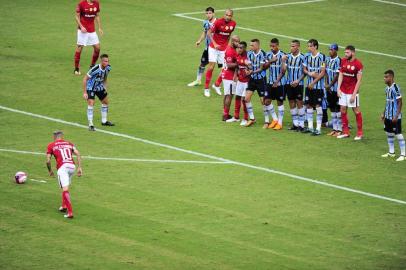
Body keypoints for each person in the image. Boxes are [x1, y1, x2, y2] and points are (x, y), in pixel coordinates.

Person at [46, 131, 82, 219]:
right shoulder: (69, 143)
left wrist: (50, 170)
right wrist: (80, 167)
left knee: (64, 189)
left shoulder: (51, 145)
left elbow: (48, 160)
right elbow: (78, 154)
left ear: (54, 137)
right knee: (65, 187)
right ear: (62, 136)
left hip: (63, 168)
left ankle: (70, 213)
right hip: (72, 167)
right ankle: (64, 206)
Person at [204, 9, 236, 97]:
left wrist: (227, 46)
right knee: (211, 66)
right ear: (224, 14)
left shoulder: (233, 24)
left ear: (231, 16)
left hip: (223, 49)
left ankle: (216, 85)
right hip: (213, 47)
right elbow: (209, 33)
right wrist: (215, 43)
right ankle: (206, 88)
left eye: (229, 15)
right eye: (226, 15)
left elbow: (228, 35)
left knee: (225, 68)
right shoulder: (218, 22)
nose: (227, 16)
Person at [337, 45, 364, 140]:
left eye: (347, 52)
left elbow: (359, 81)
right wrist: (338, 88)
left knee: (356, 111)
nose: (345, 54)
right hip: (343, 90)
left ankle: (360, 133)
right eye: (345, 52)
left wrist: (354, 94)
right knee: (343, 109)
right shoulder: (343, 61)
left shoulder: (358, 64)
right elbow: (340, 74)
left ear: (353, 53)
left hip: (352, 91)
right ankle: (345, 132)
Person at [83, 54, 114, 131]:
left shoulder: (108, 68)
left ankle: (104, 121)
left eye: (108, 61)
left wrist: (105, 86)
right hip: (91, 87)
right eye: (105, 61)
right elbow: (84, 79)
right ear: (101, 61)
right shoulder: (95, 69)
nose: (107, 63)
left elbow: (105, 76)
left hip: (99, 86)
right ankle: (90, 125)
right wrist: (85, 92)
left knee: (105, 102)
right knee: (91, 103)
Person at [187, 7, 217, 87]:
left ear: (213, 13)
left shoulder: (218, 22)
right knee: (202, 64)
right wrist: (199, 41)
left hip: (217, 49)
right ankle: (198, 80)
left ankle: (219, 84)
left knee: (223, 66)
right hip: (208, 48)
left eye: (210, 13)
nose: (208, 15)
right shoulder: (205, 22)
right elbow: (205, 32)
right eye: (207, 13)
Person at [303, 39, 326, 136]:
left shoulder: (322, 57)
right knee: (308, 105)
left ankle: (318, 128)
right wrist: (309, 73)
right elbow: (304, 69)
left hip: (318, 86)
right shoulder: (306, 56)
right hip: (309, 86)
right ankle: (311, 127)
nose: (309, 48)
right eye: (308, 46)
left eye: (310, 46)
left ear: (315, 46)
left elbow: (323, 72)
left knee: (318, 106)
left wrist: (313, 82)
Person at [74, 0, 103, 75]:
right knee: (80, 48)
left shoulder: (96, 3)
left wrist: (99, 27)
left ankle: (92, 66)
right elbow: (76, 16)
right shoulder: (81, 4)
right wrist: (81, 26)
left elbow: (97, 15)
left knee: (97, 48)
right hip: (82, 30)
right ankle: (76, 69)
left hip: (92, 30)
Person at [244, 39, 268, 127]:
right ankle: (252, 119)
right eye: (250, 45)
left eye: (252, 45)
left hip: (261, 80)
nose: (250, 47)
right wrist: (247, 70)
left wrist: (251, 72)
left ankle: (266, 121)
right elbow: (249, 65)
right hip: (252, 79)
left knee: (263, 101)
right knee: (246, 99)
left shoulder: (262, 54)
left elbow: (261, 68)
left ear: (257, 46)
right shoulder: (249, 53)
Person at [381, 70, 404, 161]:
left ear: (391, 77)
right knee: (389, 133)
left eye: (386, 77)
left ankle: (403, 154)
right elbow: (388, 102)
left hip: (395, 117)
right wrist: (383, 113)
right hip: (387, 116)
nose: (384, 79)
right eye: (384, 77)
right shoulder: (387, 89)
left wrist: (396, 116)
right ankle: (391, 152)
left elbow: (400, 102)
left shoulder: (396, 88)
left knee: (398, 134)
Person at [265, 38, 286, 130]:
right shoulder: (268, 54)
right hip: (270, 82)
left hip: (280, 83)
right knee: (267, 101)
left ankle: (280, 123)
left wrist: (277, 81)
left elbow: (283, 71)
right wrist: (270, 61)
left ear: (278, 46)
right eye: (271, 46)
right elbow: (264, 67)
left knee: (279, 102)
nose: (272, 48)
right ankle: (275, 119)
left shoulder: (283, 55)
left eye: (273, 46)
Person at [226, 41, 250, 125]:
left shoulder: (248, 56)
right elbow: (238, 66)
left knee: (244, 100)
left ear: (244, 48)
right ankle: (236, 117)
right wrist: (235, 75)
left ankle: (246, 119)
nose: (238, 49)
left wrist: (249, 70)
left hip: (247, 81)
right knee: (237, 98)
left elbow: (251, 68)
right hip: (240, 80)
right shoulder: (237, 55)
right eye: (238, 47)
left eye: (241, 48)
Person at [285, 40, 306, 131]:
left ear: (298, 47)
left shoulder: (303, 57)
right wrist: (283, 61)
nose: (291, 48)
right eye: (291, 46)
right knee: (291, 102)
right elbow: (283, 70)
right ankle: (295, 124)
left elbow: (305, 72)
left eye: (293, 46)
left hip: (299, 84)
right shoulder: (288, 56)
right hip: (289, 84)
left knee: (299, 103)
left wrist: (298, 80)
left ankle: (301, 125)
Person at [325, 43, 342, 136]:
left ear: (336, 50)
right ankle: (334, 129)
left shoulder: (339, 60)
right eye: (329, 50)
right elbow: (326, 72)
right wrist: (327, 84)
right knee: (331, 108)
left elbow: (337, 75)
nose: (330, 51)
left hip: (336, 89)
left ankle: (339, 129)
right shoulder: (327, 59)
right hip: (329, 88)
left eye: (331, 50)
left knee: (337, 108)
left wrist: (330, 85)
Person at [221, 35, 240, 121]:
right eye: (237, 42)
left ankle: (225, 113)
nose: (238, 44)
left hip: (226, 75)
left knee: (226, 95)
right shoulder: (230, 51)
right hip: (230, 76)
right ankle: (225, 115)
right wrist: (239, 63)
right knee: (229, 95)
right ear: (232, 42)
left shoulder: (232, 50)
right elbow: (229, 65)